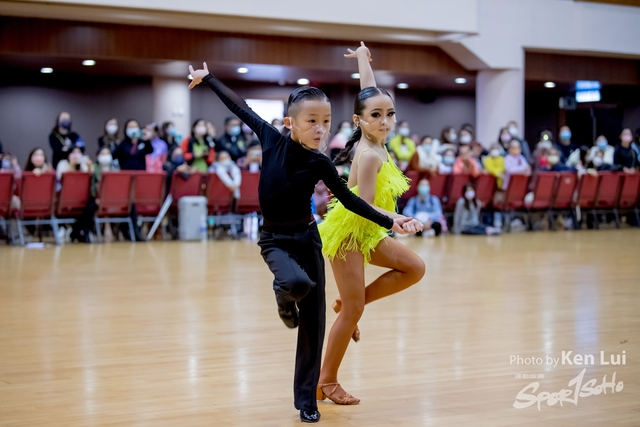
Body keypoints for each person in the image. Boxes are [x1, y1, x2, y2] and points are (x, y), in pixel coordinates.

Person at [189, 60, 413, 424]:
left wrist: (391, 220)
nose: (320, 129)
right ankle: (284, 297)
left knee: (314, 321)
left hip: (307, 237)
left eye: (325, 121)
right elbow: (239, 106)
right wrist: (208, 78)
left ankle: (307, 400)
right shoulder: (271, 138)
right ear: (290, 122)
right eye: (312, 121)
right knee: (294, 284)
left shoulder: (320, 163)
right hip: (274, 239)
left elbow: (351, 200)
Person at [317, 42, 424, 408]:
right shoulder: (367, 155)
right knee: (354, 311)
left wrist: (363, 59)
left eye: (390, 114)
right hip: (350, 233)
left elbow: (369, 91)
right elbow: (364, 205)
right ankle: (326, 383)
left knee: (414, 268)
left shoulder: (378, 140)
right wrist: (399, 219)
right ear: (359, 121)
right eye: (376, 115)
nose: (385, 121)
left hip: (369, 230)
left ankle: (349, 302)